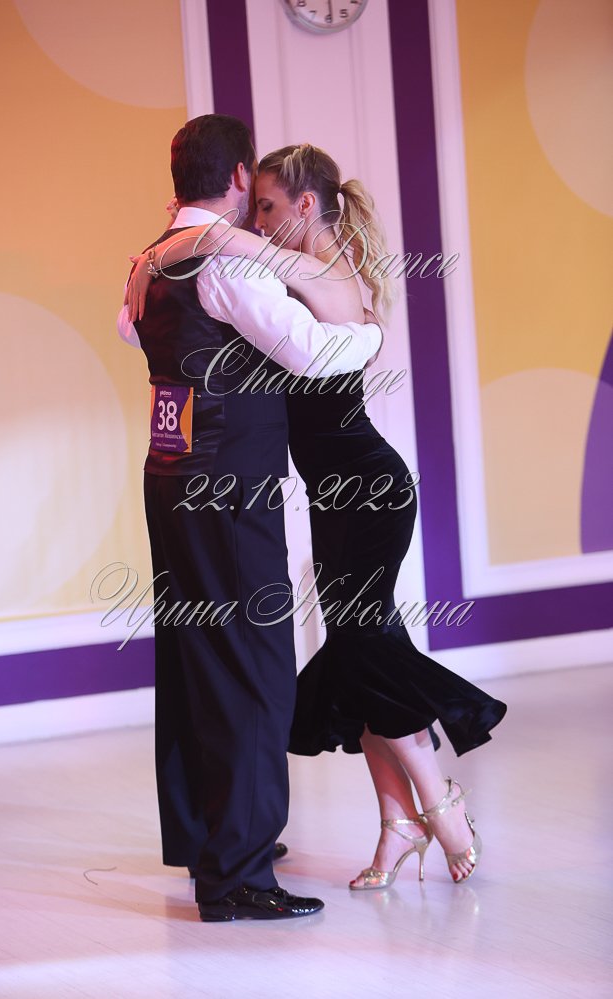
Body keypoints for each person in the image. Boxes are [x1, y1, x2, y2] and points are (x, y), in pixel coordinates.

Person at [127, 142, 507, 891]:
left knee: (364, 646)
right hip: (336, 496)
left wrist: (184, 240)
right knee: (359, 651)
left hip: (370, 491)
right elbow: (223, 265)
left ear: (306, 205)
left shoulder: (324, 274)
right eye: (254, 205)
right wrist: (168, 252)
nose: (258, 221)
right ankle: (397, 824)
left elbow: (305, 328)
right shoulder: (288, 269)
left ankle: (439, 800)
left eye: (269, 207)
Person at [117, 117, 384, 921]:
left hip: (170, 475)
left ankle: (208, 836)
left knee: (196, 658)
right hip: (228, 487)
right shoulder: (226, 263)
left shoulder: (152, 257)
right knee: (256, 668)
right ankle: (237, 873)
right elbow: (311, 352)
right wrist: (369, 334)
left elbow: (130, 330)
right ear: (238, 176)